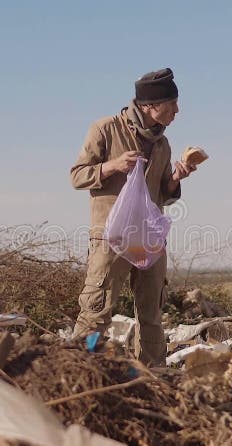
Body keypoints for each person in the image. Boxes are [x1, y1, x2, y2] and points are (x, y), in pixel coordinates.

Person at [69, 68, 196, 366]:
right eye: (172, 104)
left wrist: (176, 177)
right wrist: (112, 166)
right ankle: (78, 370)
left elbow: (162, 194)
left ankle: (154, 379)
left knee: (151, 313)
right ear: (151, 106)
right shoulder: (105, 129)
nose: (177, 111)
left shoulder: (163, 144)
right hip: (111, 235)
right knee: (97, 310)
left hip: (148, 237)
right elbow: (76, 176)